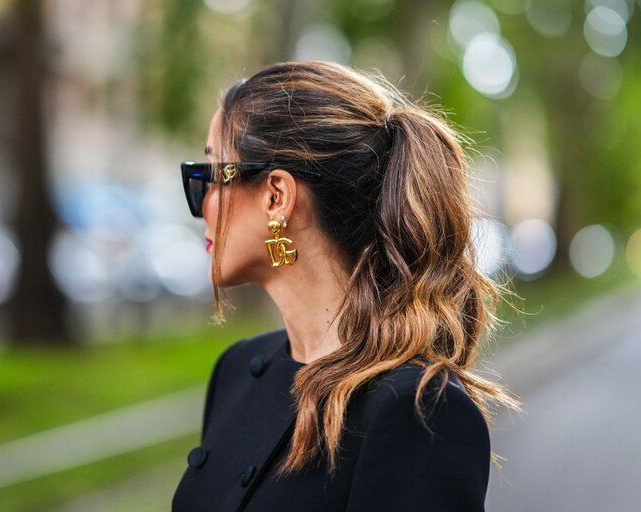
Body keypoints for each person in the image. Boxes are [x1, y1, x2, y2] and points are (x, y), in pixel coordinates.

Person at [172, 60, 518, 512]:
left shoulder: (418, 411)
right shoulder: (234, 372)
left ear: (276, 196)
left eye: (211, 175)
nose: (203, 205)